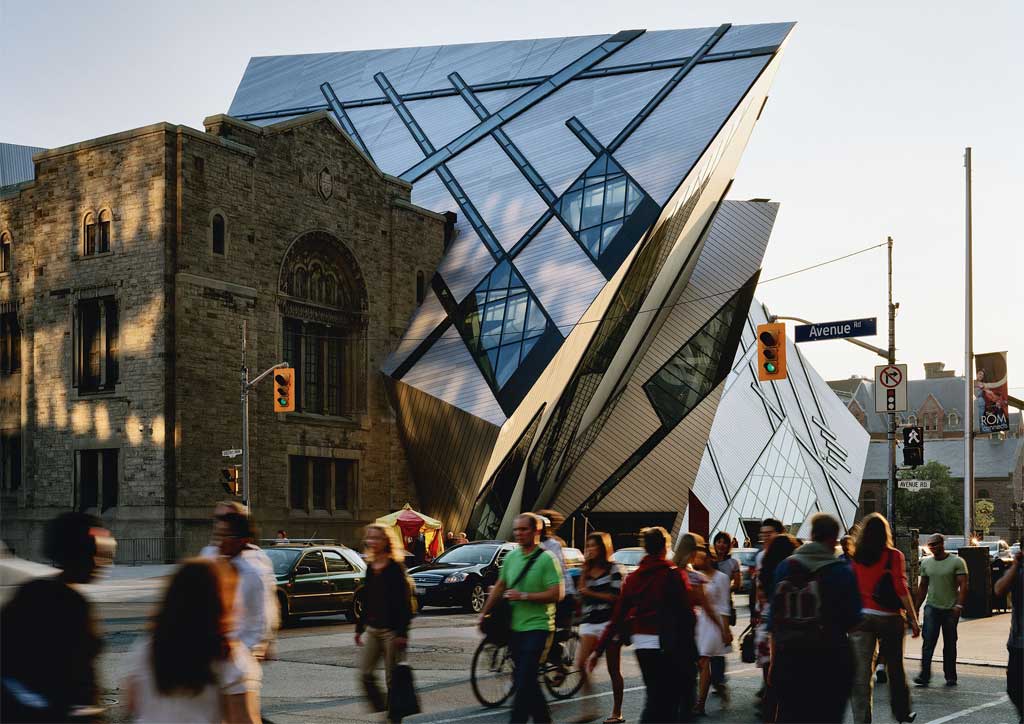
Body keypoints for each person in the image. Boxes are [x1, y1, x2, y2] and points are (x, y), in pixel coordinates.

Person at [1, 513, 113, 722]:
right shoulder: (68, 604)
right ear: (82, 551)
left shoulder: (32, 593)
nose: (105, 561)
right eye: (100, 549)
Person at [124, 559, 260, 723]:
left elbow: (131, 703)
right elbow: (242, 719)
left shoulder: (148, 646)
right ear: (219, 602)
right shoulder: (227, 654)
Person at [592, 527, 701, 723]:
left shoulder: (634, 578)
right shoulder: (673, 574)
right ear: (665, 548)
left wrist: (598, 651)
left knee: (654, 696)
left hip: (642, 643)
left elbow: (617, 617)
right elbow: (687, 612)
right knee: (673, 697)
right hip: (669, 642)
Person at [767, 513, 862, 724]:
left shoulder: (785, 566)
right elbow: (854, 621)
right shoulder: (841, 572)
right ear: (833, 539)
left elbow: (774, 619)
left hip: (789, 658)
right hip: (828, 661)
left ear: (812, 534)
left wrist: (774, 662)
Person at [479, 512, 563, 723]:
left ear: (536, 531)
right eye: (516, 530)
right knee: (526, 681)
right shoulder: (512, 557)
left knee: (525, 679)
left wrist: (524, 596)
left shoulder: (547, 559)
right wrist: (484, 612)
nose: (519, 534)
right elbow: (500, 586)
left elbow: (557, 593)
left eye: (524, 529)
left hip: (540, 627)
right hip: (515, 628)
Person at [849, 513, 920, 724]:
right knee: (895, 668)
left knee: (861, 675)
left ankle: (861, 719)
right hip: (889, 619)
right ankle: (902, 714)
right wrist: (913, 619)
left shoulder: (855, 556)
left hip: (862, 618)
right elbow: (901, 589)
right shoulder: (893, 555)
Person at [355, 524, 414, 720]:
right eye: (369, 537)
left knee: (393, 681)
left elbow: (405, 605)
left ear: (386, 541)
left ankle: (393, 717)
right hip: (373, 629)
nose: (371, 541)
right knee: (365, 674)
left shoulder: (395, 569)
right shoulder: (371, 568)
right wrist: (359, 628)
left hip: (392, 632)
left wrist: (402, 633)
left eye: (376, 538)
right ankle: (385, 708)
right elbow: (367, 600)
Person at [575, 532, 625, 724]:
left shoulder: (614, 568)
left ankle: (617, 712)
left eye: (593, 546)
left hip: (608, 623)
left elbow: (616, 597)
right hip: (589, 621)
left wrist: (591, 592)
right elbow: (581, 594)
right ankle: (590, 707)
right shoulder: (585, 569)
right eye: (587, 546)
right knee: (580, 664)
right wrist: (583, 572)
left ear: (603, 548)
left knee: (613, 669)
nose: (589, 549)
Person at [217, 512, 279, 661]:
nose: (220, 542)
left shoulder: (251, 573)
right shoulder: (226, 565)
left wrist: (242, 653)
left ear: (241, 540)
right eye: (218, 535)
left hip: (240, 658)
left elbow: (263, 619)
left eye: (226, 536)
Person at [914, 533, 968, 687]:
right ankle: (924, 675)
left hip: (950, 609)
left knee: (950, 643)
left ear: (942, 544)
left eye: (935, 544)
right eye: (930, 545)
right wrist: (916, 608)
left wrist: (959, 605)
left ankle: (950, 676)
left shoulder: (957, 562)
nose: (932, 548)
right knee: (928, 642)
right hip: (932, 608)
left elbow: (964, 584)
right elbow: (923, 586)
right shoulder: (926, 563)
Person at [753, 533, 798, 717]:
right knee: (788, 687)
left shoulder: (763, 575)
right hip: (783, 632)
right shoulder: (791, 575)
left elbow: (760, 604)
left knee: (770, 683)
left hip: (764, 631)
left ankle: (769, 714)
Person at [693, 539, 732, 716]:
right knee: (702, 663)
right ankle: (719, 688)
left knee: (704, 661)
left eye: (700, 557)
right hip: (701, 622)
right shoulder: (697, 577)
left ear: (709, 558)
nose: (697, 561)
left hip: (715, 623)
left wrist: (725, 629)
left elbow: (724, 606)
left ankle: (700, 704)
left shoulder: (722, 578)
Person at [995, 546, 1023, 722]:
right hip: (1017, 642)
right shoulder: (1017, 570)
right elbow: (998, 590)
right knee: (1013, 688)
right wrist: (1015, 565)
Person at [711, 531, 740, 699]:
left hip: (724, 606)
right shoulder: (709, 561)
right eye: (718, 541)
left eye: (724, 542)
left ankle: (718, 678)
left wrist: (724, 588)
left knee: (721, 643)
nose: (720, 545)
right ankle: (713, 677)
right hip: (708, 606)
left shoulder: (733, 563)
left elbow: (738, 583)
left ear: (729, 545)